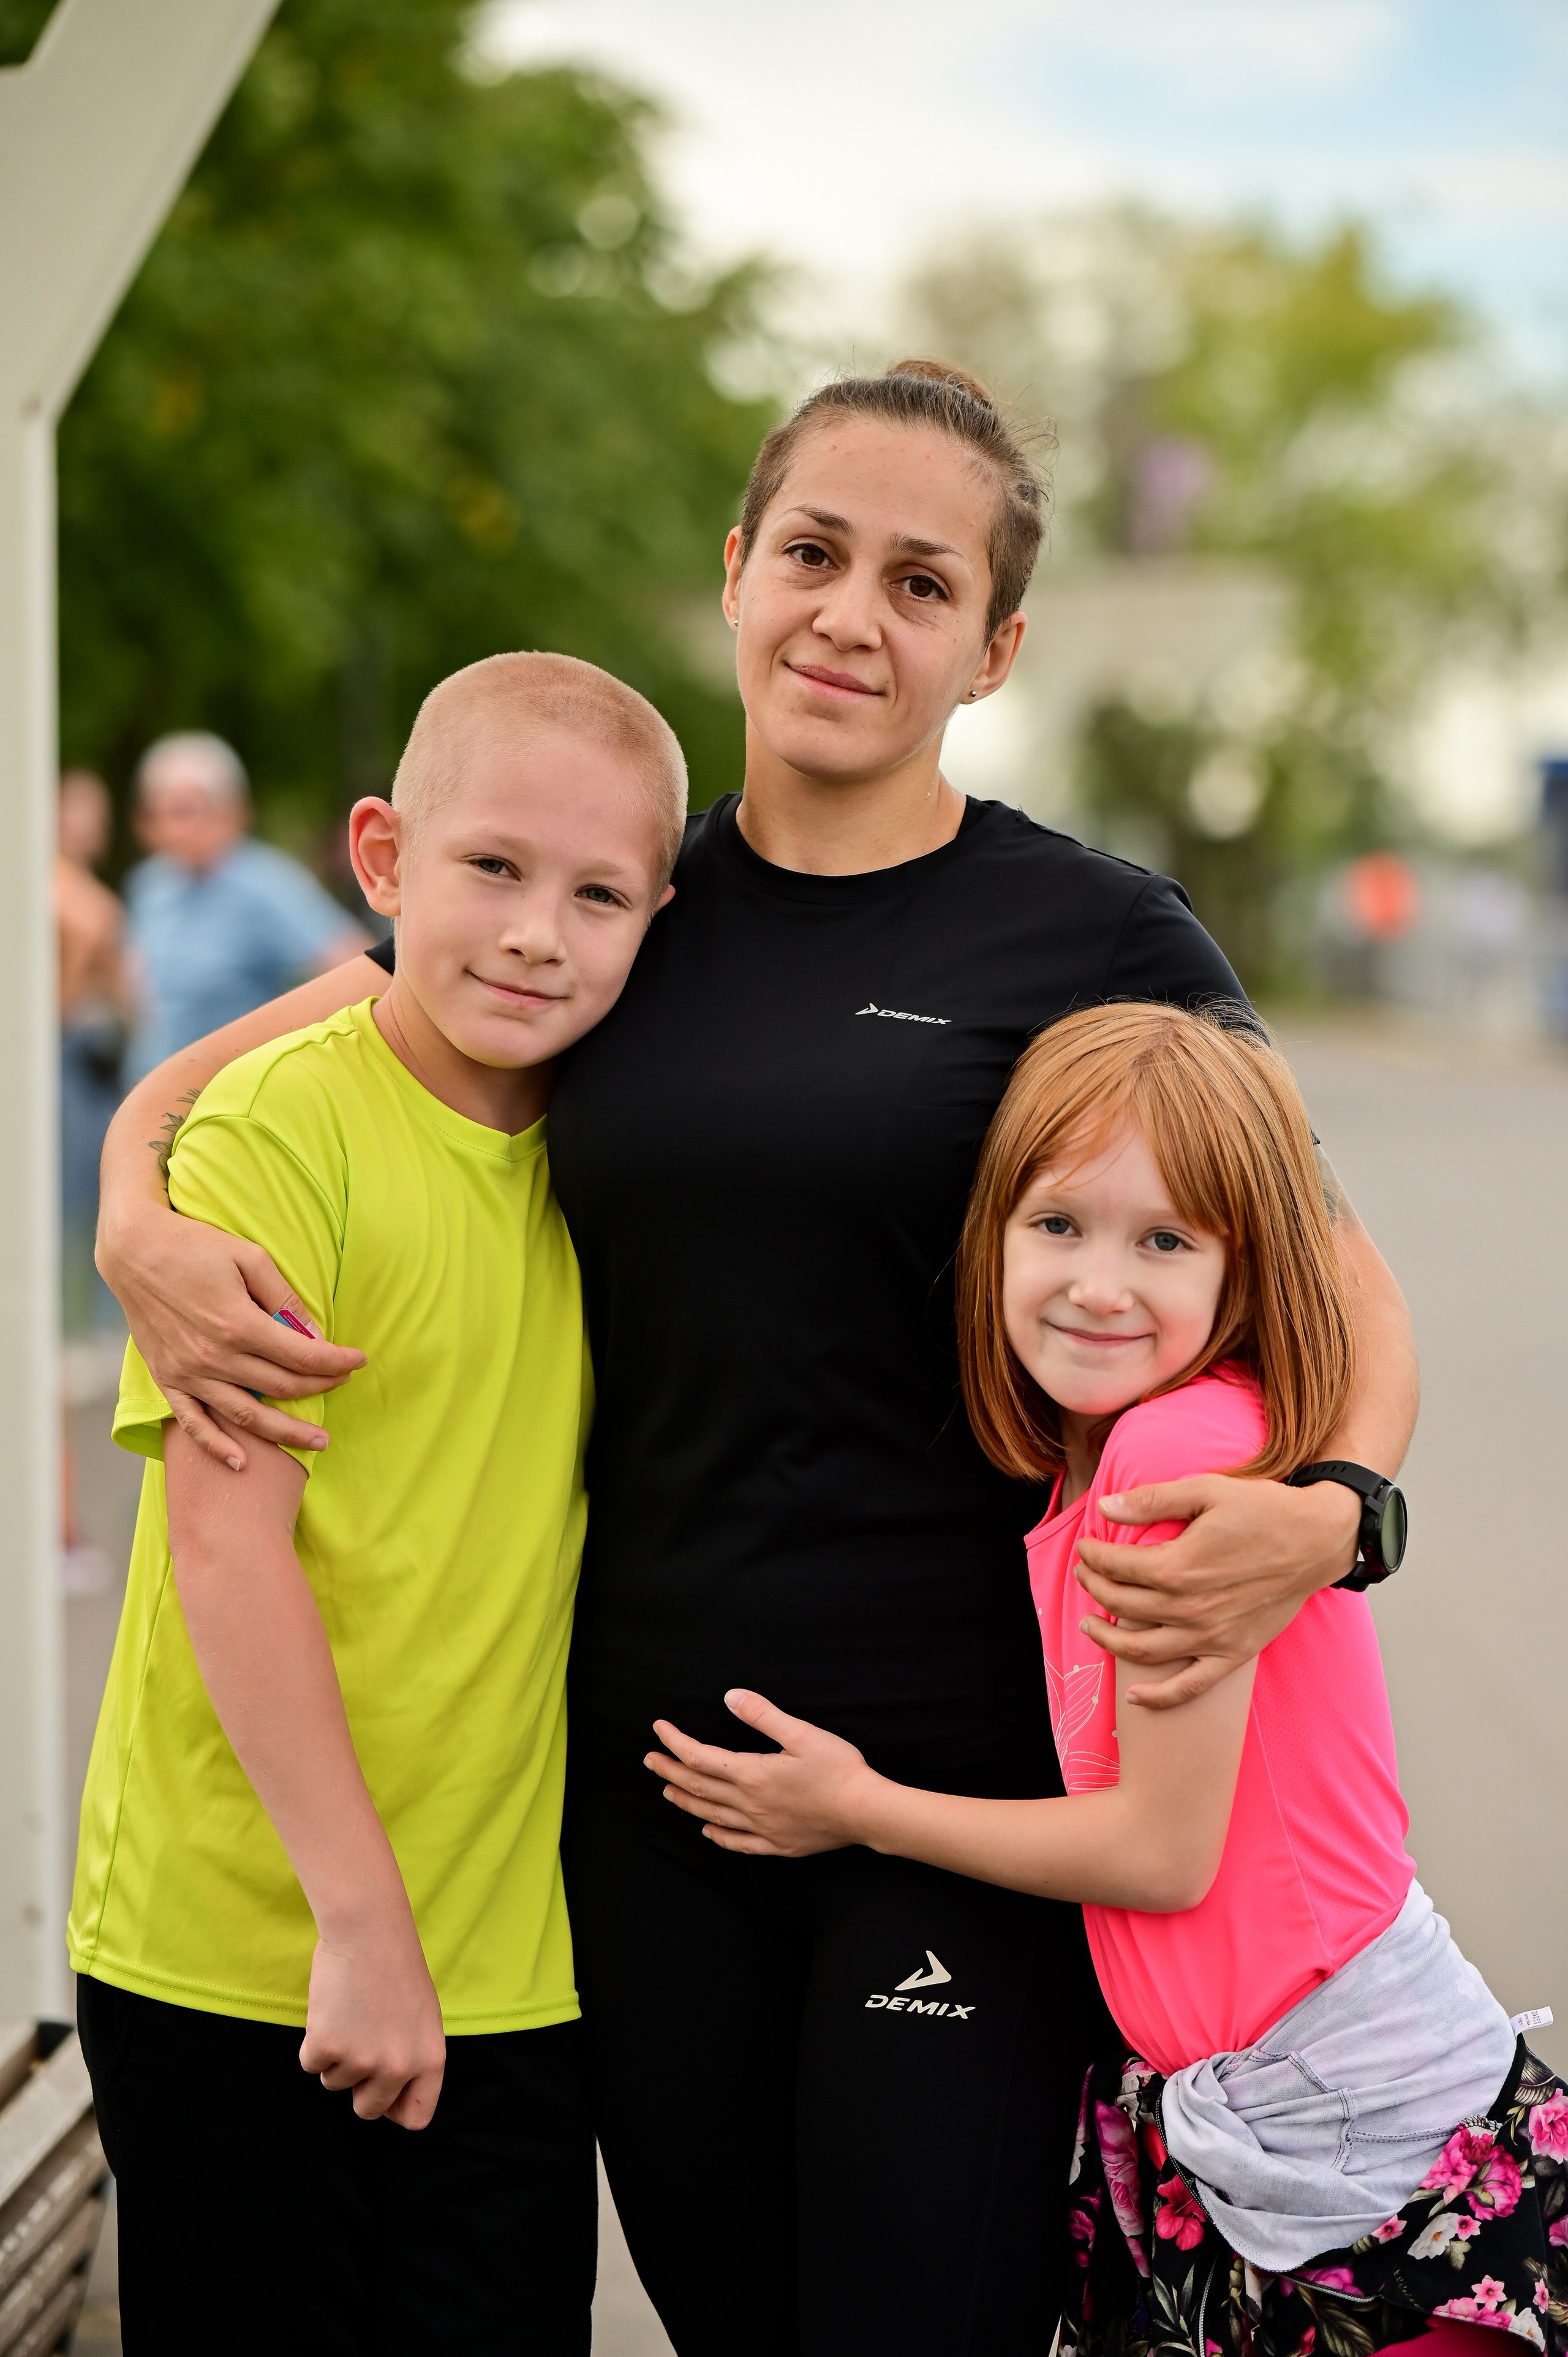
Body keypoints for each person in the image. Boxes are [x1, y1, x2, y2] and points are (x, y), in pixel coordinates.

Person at [93, 362, 1420, 2355]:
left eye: (919, 582)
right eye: (813, 554)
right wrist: (131, 1200)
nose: (849, 616)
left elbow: (1338, 1277)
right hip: (647, 1811)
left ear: (994, 647)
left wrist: (1341, 1508)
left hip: (953, 1796)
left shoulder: (1090, 932)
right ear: (735, 571)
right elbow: (264, 1052)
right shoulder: (612, 896)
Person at [649, 1001, 1566, 2357]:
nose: (1098, 1283)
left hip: (1354, 2114)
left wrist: (853, 1807)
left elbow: (1159, 1851)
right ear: (993, 1236)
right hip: (1249, 2107)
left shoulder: (1171, 1456)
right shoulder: (1087, 1463)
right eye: (1059, 1224)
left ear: (1241, 1268)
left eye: (1164, 1241)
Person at [70, 654, 686, 2355]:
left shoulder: (618, 1156)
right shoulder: (280, 1129)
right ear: (383, 857)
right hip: (244, 1948)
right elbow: (226, 1544)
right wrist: (360, 1924)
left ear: (658, 919)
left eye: (598, 896)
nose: (537, 935)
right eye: (492, 867)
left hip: (506, 1965)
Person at [124, 730, 371, 1078]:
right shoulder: (149, 884)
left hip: (225, 1091)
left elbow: (357, 964)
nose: (170, 829)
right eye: (156, 814)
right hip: (149, 1087)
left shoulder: (266, 882)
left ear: (229, 812)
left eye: (184, 812)